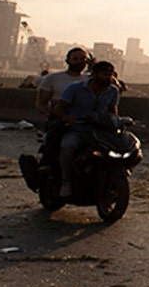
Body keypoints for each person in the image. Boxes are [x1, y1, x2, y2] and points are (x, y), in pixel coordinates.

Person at [50, 60, 121, 197]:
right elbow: (59, 109)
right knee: (68, 147)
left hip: (99, 131)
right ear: (94, 74)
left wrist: (115, 122)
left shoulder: (113, 91)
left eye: (110, 75)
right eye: (104, 74)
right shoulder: (75, 88)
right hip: (77, 129)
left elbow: (113, 112)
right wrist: (66, 117)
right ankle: (66, 182)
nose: (107, 78)